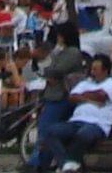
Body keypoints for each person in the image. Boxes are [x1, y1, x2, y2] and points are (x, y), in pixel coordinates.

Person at [32, 32, 87, 173]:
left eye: (59, 34)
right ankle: (42, 162)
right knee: (48, 131)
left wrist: (49, 71)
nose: (58, 38)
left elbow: (57, 70)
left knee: (46, 128)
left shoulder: (73, 52)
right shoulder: (61, 52)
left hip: (59, 96)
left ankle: (38, 161)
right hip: (53, 94)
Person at [59, 55, 112, 173]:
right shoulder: (85, 83)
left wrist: (82, 95)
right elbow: (72, 97)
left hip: (97, 124)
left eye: (95, 69)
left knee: (83, 135)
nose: (92, 72)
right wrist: (89, 96)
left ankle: (68, 165)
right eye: (91, 69)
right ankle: (67, 164)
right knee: (52, 132)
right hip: (76, 121)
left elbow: (101, 96)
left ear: (105, 71)